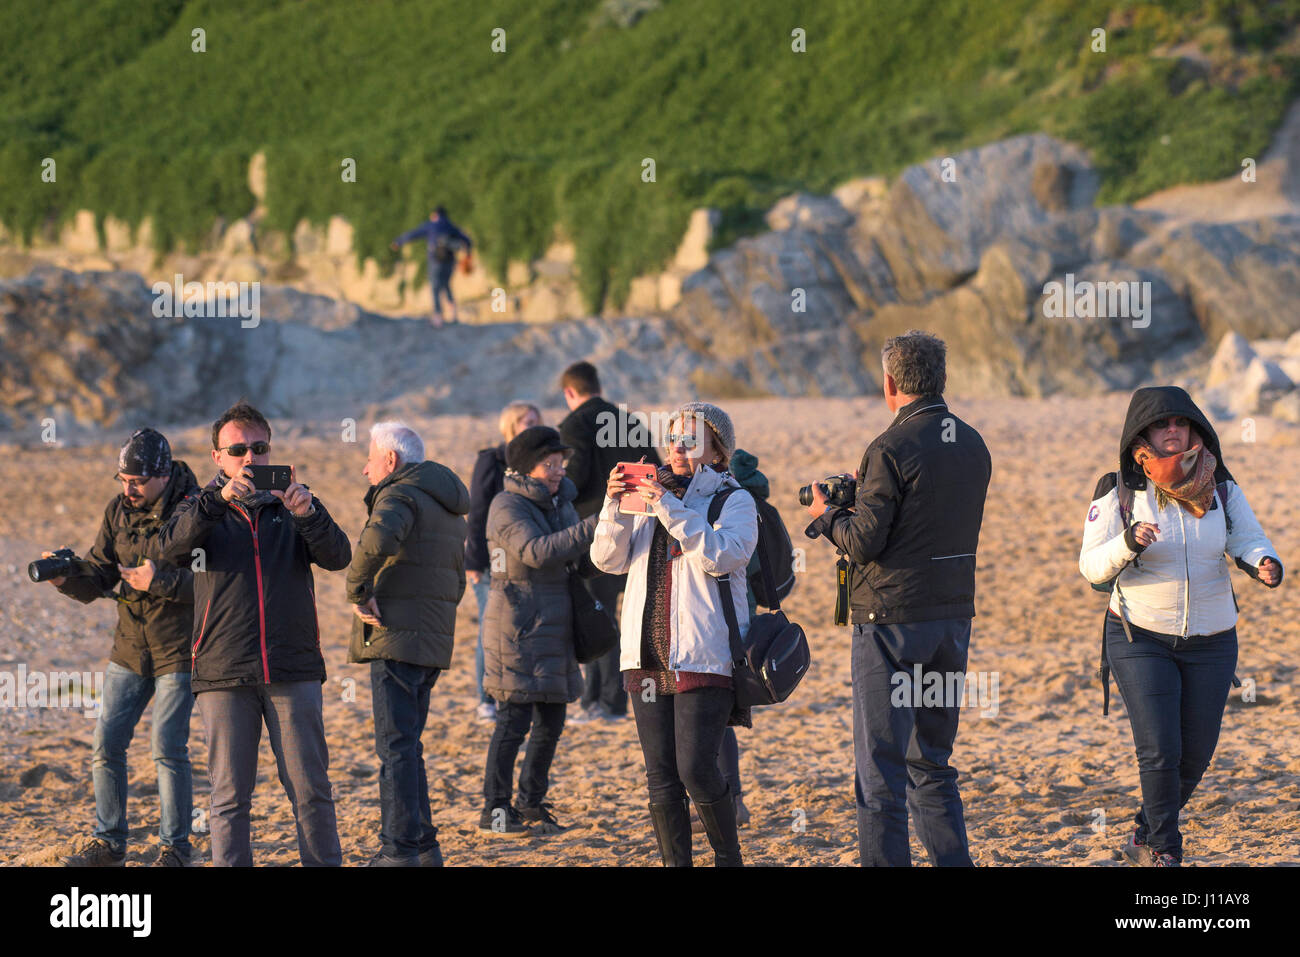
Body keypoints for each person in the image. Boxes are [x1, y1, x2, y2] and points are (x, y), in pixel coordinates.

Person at [804, 330, 991, 867]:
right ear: (942, 379)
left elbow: (864, 542)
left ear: (889, 383)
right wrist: (866, 495)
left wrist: (828, 514)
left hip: (891, 622)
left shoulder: (891, 446)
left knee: (880, 772)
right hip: (952, 618)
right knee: (931, 763)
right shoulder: (972, 442)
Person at [1079, 386, 1282, 867]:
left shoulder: (1222, 485)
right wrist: (1129, 542)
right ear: (1140, 437)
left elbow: (1247, 536)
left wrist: (1263, 561)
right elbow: (1091, 567)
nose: (1173, 430)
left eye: (1181, 423)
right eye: (1161, 424)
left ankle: (1143, 834)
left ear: (1195, 429)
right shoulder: (1119, 490)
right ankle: (1166, 851)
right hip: (1138, 635)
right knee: (1160, 751)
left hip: (1212, 640)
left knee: (1195, 758)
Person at [153, 401, 352, 866]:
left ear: (270, 451)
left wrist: (308, 514)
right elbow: (169, 548)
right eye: (237, 449)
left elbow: (339, 556)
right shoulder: (198, 507)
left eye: (259, 447)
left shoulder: (296, 503)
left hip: (293, 667)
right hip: (223, 671)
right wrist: (215, 503)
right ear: (217, 457)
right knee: (228, 799)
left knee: (312, 792)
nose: (250, 457)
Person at [591, 402, 758, 867]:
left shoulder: (733, 500)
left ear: (717, 451)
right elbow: (607, 560)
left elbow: (720, 556)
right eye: (673, 439)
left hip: (704, 655)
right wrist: (614, 505)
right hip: (645, 654)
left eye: (691, 440)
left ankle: (728, 856)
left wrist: (668, 506)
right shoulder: (645, 495)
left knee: (696, 769)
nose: (678, 448)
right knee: (661, 776)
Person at [45, 429, 199, 867]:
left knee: (167, 747)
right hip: (131, 645)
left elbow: (216, 584)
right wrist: (65, 579)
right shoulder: (117, 510)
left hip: (179, 647)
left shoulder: (197, 511)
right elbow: (99, 573)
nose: (128, 489)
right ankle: (109, 842)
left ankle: (176, 849)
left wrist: (161, 581)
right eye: (122, 479)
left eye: (137, 481)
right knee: (106, 743)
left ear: (164, 474)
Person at [346, 422, 469, 867]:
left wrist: (357, 591)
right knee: (409, 747)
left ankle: (398, 851)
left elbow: (377, 541)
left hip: (395, 635)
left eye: (370, 458)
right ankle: (423, 847)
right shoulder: (448, 505)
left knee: (395, 749)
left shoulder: (398, 494)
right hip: (432, 639)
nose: (365, 469)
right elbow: (457, 583)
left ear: (391, 461)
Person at [480, 426, 598, 836]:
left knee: (552, 720)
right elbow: (536, 552)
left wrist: (599, 547)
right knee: (513, 721)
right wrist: (596, 525)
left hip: (556, 623)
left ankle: (530, 803)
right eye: (549, 464)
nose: (558, 471)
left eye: (560, 463)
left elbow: (572, 552)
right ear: (525, 468)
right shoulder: (506, 505)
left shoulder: (558, 500)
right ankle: (495, 810)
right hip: (517, 627)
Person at [557, 360, 661, 724]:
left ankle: (600, 703)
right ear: (597, 385)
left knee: (596, 617)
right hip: (643, 530)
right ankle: (612, 702)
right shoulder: (628, 419)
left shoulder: (573, 423)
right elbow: (656, 469)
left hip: (597, 534)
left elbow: (574, 478)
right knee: (625, 616)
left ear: (570, 392)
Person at [466, 401, 541, 722]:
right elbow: (478, 510)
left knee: (523, 629)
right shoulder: (492, 459)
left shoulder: (540, 462)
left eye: (536, 421)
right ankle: (486, 700)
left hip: (525, 560)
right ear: (511, 426)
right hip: (489, 561)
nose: (533, 426)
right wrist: (473, 561)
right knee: (490, 628)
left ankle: (517, 693)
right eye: (527, 422)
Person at [390, 205, 472, 326]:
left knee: (435, 287)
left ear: (434, 215)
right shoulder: (451, 226)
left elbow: (413, 234)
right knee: (446, 284)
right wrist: (468, 256)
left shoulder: (430, 225)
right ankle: (453, 314)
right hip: (450, 262)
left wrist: (398, 241)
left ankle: (438, 317)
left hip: (435, 261)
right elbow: (468, 241)